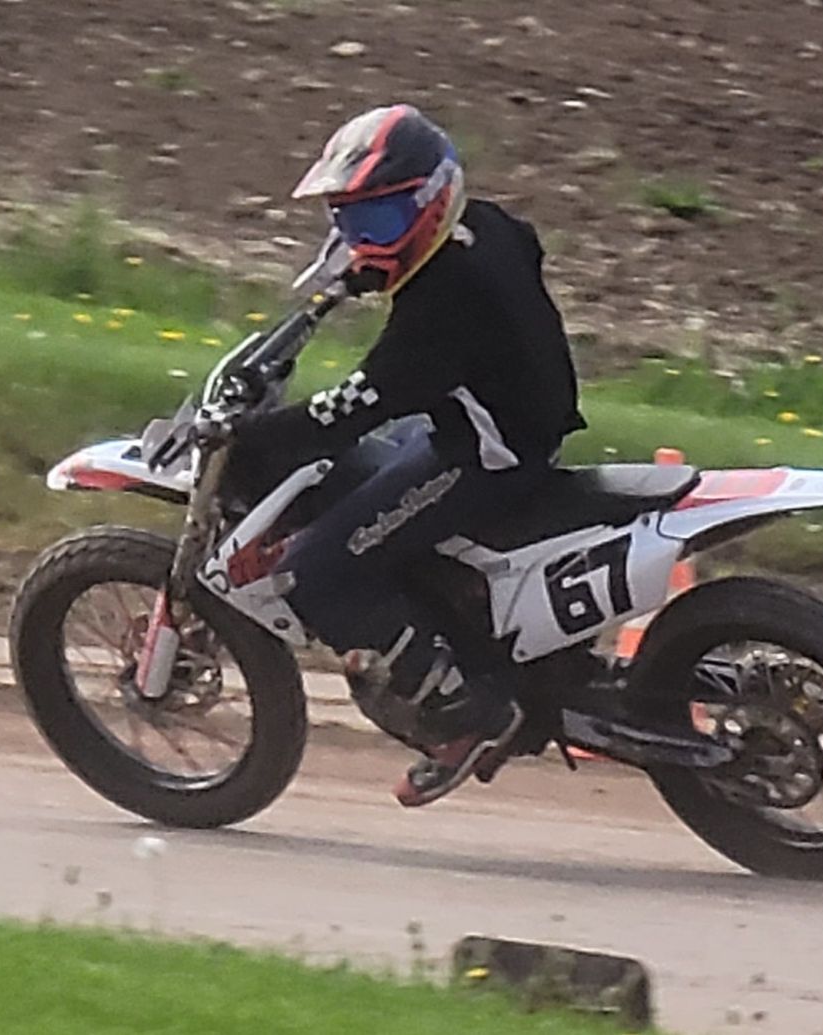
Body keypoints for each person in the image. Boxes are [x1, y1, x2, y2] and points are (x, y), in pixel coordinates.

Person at [227, 104, 585, 807]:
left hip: (489, 454)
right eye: (350, 221)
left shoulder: (440, 304)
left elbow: (360, 402)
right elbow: (524, 253)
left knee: (314, 571)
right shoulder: (489, 228)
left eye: (381, 220)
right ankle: (453, 627)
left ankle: (469, 716)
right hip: (511, 421)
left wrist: (259, 438)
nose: (364, 240)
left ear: (434, 200)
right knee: (367, 485)